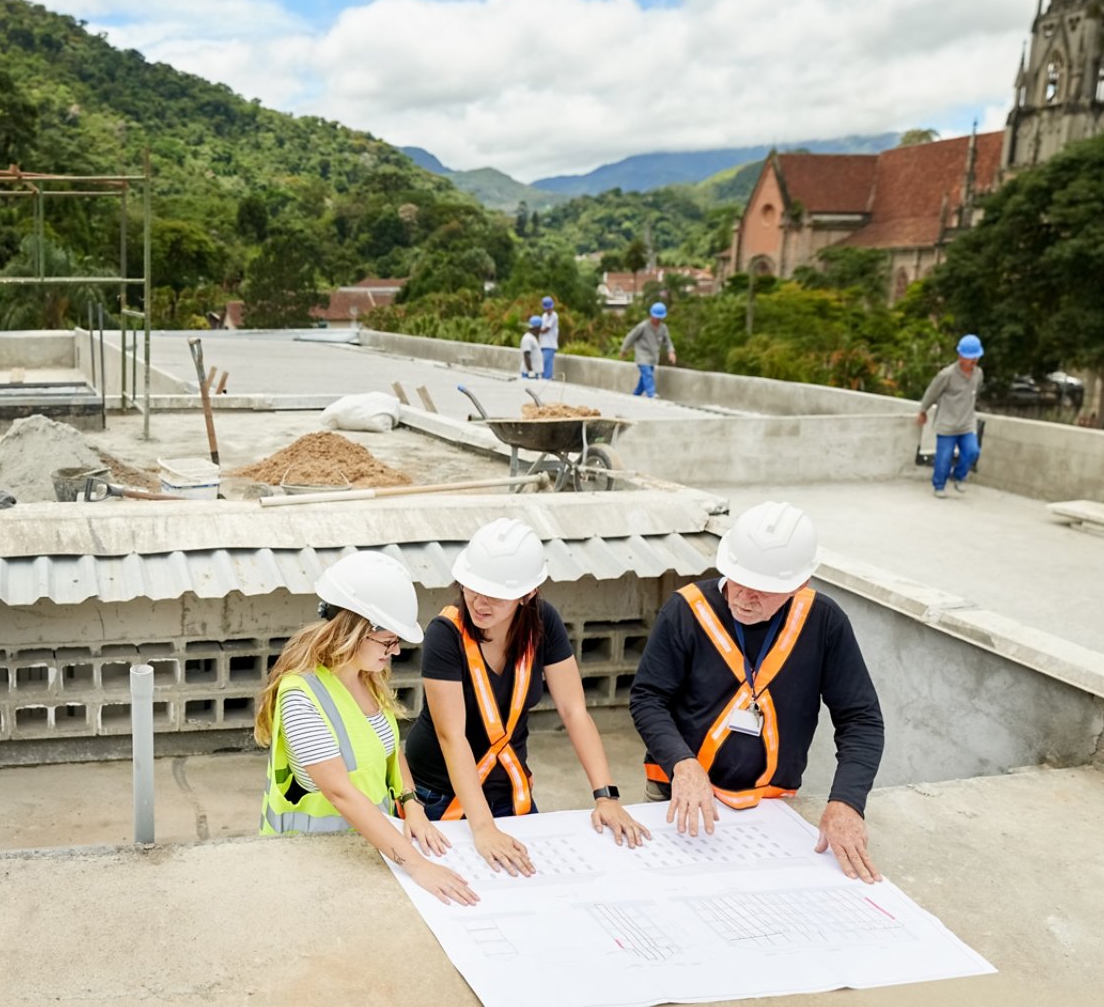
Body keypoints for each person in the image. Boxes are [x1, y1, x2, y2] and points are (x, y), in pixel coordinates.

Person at [629, 501, 885, 884]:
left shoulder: (823, 622)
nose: (745, 599)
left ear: (800, 585)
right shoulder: (686, 611)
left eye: (763, 591)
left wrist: (847, 801)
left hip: (770, 806)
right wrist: (681, 763)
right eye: (738, 581)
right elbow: (648, 698)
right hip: (679, 793)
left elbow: (860, 720)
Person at [405, 517, 650, 875]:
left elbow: (573, 709)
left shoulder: (542, 622)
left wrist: (606, 796)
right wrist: (484, 827)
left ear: (528, 594)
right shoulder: (446, 634)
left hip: (510, 789)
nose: (480, 602)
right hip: (439, 793)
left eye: (497, 595)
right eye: (472, 587)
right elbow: (450, 735)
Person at [255, 550, 479, 906]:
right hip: (310, 859)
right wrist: (417, 865)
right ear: (355, 630)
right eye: (389, 641)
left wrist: (412, 805)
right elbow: (339, 792)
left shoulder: (366, 676)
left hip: (369, 847)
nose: (396, 651)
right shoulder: (301, 696)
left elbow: (389, 749)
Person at [917, 334, 985, 498]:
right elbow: (931, 392)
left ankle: (958, 476)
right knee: (944, 458)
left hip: (967, 424)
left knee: (972, 451)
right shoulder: (946, 375)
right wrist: (922, 411)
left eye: (976, 357)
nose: (973, 361)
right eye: (970, 358)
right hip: (947, 424)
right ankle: (939, 485)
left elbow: (976, 392)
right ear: (960, 356)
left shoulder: (978, 374)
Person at [619, 301, 676, 398]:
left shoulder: (663, 328)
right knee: (647, 374)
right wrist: (623, 349)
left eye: (660, 318)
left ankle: (636, 394)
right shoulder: (643, 326)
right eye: (656, 317)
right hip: (642, 355)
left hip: (653, 357)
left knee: (644, 377)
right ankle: (651, 394)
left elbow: (668, 341)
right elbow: (631, 337)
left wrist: (671, 352)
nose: (657, 320)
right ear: (651, 315)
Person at [538, 296, 559, 380]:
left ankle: (547, 379)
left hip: (550, 344)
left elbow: (546, 329)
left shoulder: (554, 316)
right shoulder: (544, 316)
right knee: (543, 363)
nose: (548, 310)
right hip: (543, 343)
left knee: (547, 363)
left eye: (549, 308)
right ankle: (544, 378)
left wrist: (536, 330)